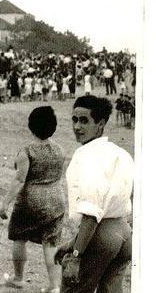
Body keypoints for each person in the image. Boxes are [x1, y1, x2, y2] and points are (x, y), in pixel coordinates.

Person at [54, 95, 134, 293]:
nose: (77, 127)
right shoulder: (119, 152)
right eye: (74, 120)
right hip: (124, 234)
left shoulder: (87, 155)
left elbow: (92, 212)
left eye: (84, 121)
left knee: (74, 290)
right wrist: (73, 243)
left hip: (100, 234)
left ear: (101, 124)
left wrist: (76, 255)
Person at [0, 106, 65, 292]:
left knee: (19, 237)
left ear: (31, 126)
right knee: (51, 243)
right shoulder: (60, 150)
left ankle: (18, 278)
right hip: (56, 199)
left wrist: (5, 203)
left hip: (30, 201)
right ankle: (54, 286)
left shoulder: (26, 151)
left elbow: (20, 179)